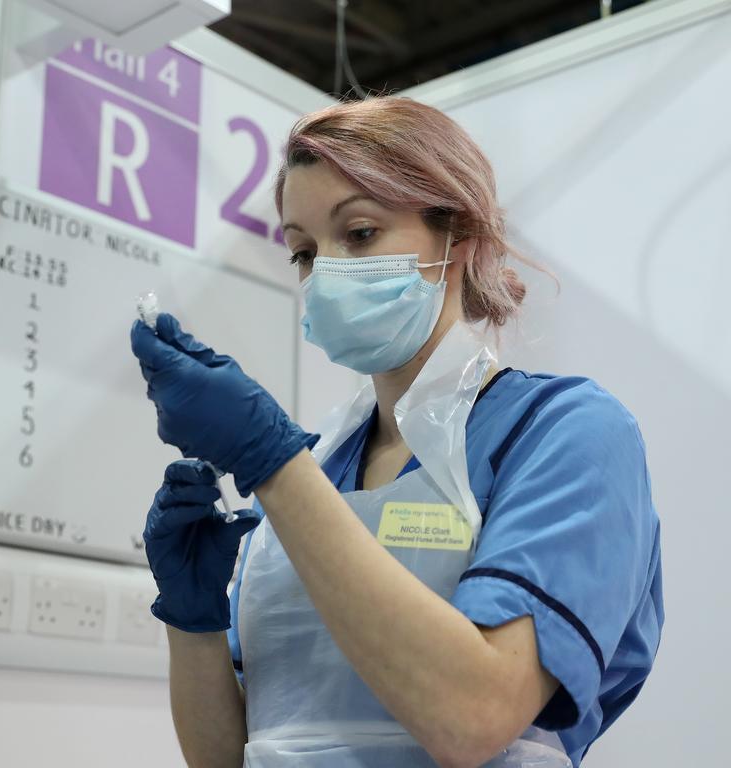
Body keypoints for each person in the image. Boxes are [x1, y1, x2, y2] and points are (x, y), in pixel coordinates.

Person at [130, 96, 663, 768]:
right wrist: (194, 621)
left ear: (458, 238)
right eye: (302, 252)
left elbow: (474, 720)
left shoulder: (566, 433)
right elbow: (231, 758)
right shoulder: (317, 469)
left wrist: (270, 464)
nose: (324, 274)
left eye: (358, 234)